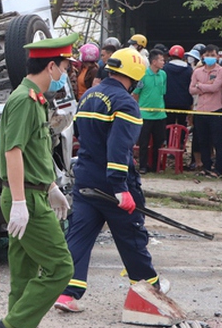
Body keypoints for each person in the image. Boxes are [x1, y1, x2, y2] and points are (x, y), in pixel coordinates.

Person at [55, 47, 165, 313]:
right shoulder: (126, 103)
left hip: (85, 180)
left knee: (79, 236)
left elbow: (79, 134)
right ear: (136, 74)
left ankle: (67, 294)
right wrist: (120, 188)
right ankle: (150, 291)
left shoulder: (89, 95)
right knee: (131, 238)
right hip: (113, 185)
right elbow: (119, 148)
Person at [0, 33, 76, 328]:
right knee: (60, 268)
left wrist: (52, 187)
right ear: (51, 66)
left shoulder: (35, 99)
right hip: (26, 199)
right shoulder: (24, 100)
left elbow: (35, 152)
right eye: (64, 67)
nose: (65, 75)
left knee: (24, 276)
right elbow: (13, 152)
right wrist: (22, 203)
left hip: (34, 193)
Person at [189, 45, 222, 177]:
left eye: (212, 55)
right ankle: (206, 166)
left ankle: (219, 169)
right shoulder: (197, 72)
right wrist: (205, 86)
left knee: (217, 141)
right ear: (203, 56)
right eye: (207, 55)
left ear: (218, 56)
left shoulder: (221, 71)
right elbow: (191, 89)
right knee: (202, 141)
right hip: (200, 110)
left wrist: (200, 86)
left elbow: (216, 87)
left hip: (215, 110)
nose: (210, 58)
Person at [133, 49, 166, 174]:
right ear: (153, 61)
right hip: (145, 115)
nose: (163, 62)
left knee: (158, 142)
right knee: (143, 142)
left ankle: (156, 165)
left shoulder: (163, 75)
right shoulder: (143, 75)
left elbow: (163, 92)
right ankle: (143, 166)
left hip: (160, 114)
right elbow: (136, 94)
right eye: (161, 60)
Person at [163, 44, 193, 128]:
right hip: (184, 102)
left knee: (168, 125)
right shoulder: (188, 69)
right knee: (182, 124)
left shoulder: (165, 69)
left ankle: (169, 140)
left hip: (168, 102)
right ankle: (181, 140)